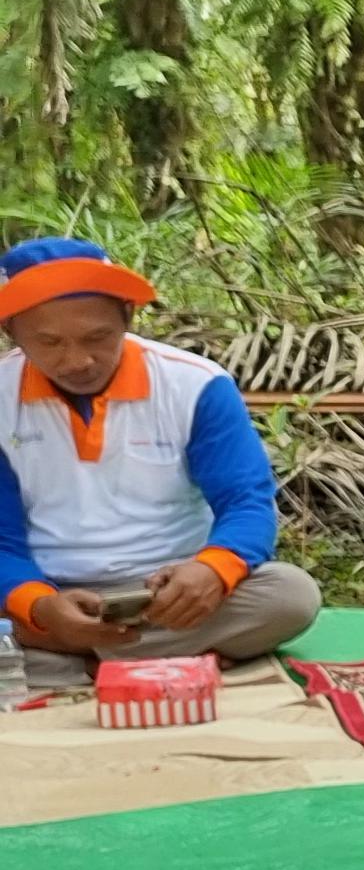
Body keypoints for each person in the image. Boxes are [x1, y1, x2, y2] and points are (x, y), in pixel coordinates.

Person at [3, 235, 321, 671]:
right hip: (51, 592)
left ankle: (71, 654)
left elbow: (247, 502)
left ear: (128, 316)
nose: (77, 361)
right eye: (50, 343)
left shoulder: (195, 385)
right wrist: (38, 605)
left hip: (170, 595)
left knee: (291, 596)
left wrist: (212, 569)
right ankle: (147, 652)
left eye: (98, 337)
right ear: (11, 332)